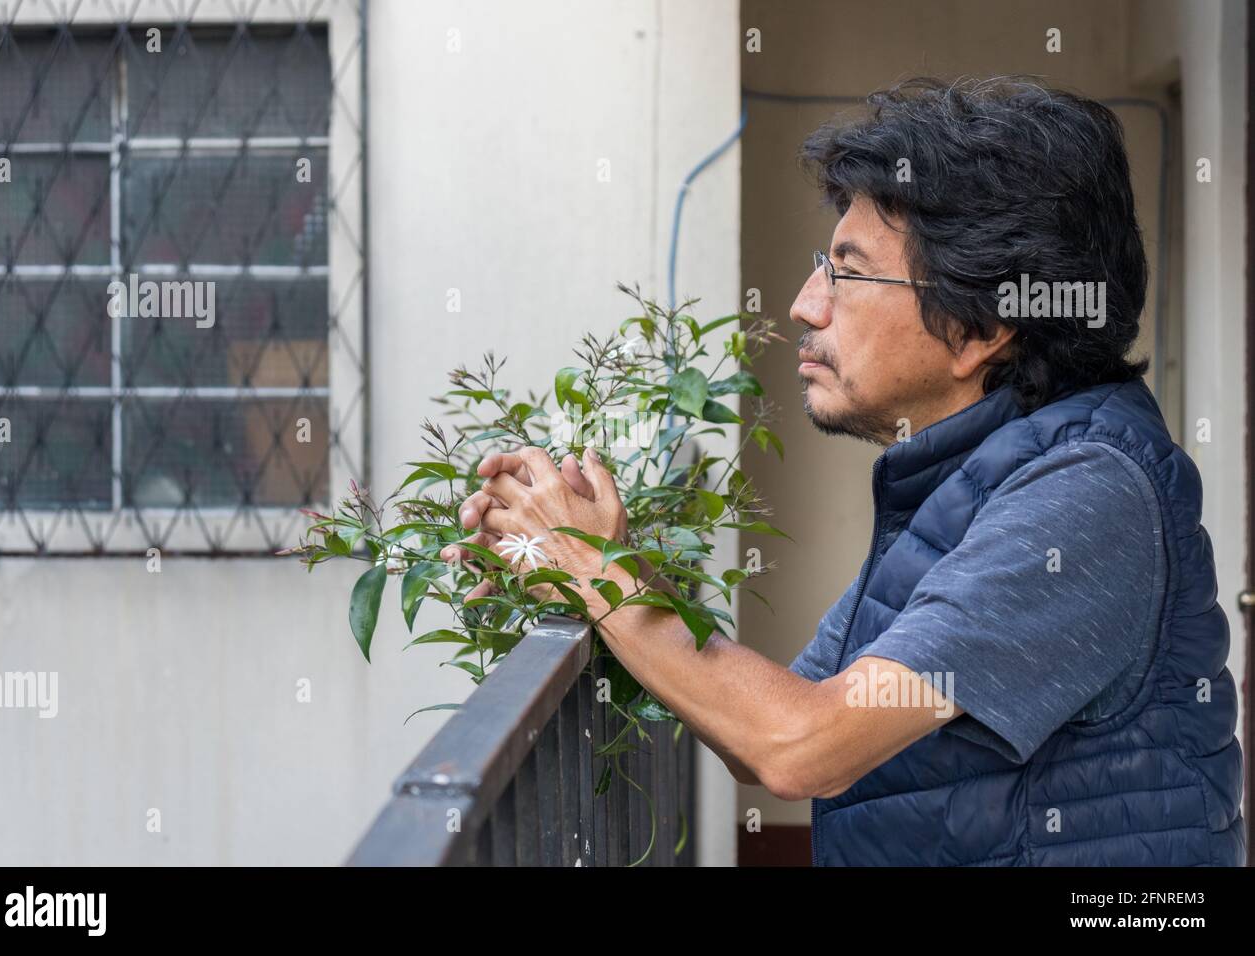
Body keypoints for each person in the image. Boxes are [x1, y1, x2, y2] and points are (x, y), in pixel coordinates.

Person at [441, 76, 1245, 866]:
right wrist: (595, 561)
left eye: (848, 272)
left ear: (983, 323)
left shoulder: (1087, 494)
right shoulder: (968, 477)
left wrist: (597, 578)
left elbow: (802, 747)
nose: (804, 305)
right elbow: (765, 736)